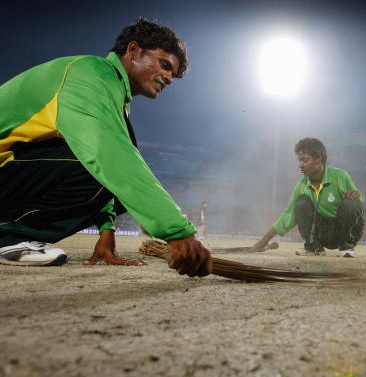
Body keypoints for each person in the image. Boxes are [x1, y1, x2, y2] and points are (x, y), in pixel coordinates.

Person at [0, 18, 212, 277]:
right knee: (116, 156)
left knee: (115, 152)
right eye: (164, 65)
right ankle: (6, 239)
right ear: (133, 51)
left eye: (173, 75)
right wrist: (177, 232)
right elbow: (108, 157)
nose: (169, 77)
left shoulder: (105, 87)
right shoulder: (89, 75)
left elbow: (98, 158)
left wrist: (106, 232)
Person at [254, 137, 365, 257]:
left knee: (351, 203)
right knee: (300, 203)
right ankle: (314, 247)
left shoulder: (340, 176)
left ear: (319, 159)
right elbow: (288, 215)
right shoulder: (301, 185)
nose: (300, 165)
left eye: (305, 160)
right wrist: (263, 241)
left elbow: (358, 204)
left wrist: (355, 197)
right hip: (323, 233)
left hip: (344, 232)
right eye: (299, 161)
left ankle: (346, 247)